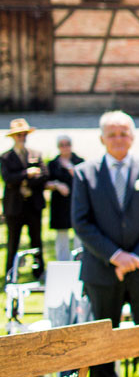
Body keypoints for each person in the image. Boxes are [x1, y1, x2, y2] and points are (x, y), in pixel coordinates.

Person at [72, 110, 139, 377]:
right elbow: (81, 221)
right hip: (103, 269)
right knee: (104, 332)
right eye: (112, 134)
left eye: (123, 132)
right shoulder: (84, 173)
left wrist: (137, 256)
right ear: (102, 138)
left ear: (133, 136)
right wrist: (116, 256)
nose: (118, 139)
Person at [2, 118, 47, 281]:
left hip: (32, 205)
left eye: (24, 135)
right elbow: (8, 178)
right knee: (13, 241)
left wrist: (26, 181)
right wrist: (27, 174)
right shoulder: (6, 157)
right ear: (13, 137)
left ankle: (39, 272)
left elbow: (43, 176)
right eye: (18, 135)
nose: (21, 137)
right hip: (15, 207)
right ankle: (11, 273)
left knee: (36, 240)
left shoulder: (35, 154)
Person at [46, 135, 85, 261]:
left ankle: (78, 260)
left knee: (79, 232)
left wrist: (70, 168)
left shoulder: (79, 161)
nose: (65, 147)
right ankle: (62, 262)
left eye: (67, 144)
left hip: (76, 201)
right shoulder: (53, 164)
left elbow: (84, 179)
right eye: (61, 145)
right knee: (62, 235)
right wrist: (57, 185)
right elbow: (45, 182)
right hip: (60, 203)